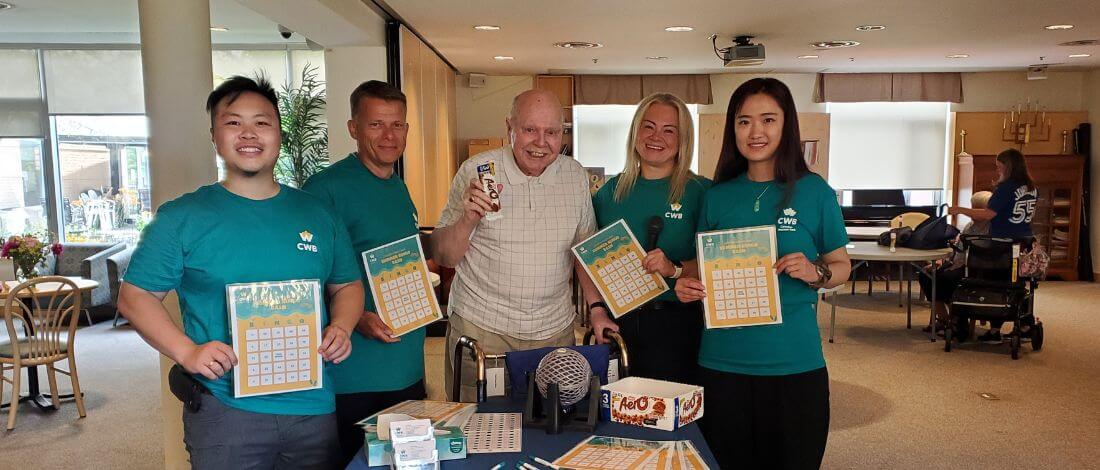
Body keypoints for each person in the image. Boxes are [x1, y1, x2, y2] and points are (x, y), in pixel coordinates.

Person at [117, 76, 364, 469]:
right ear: (214, 136)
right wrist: (187, 351)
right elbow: (135, 297)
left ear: (279, 133)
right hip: (224, 411)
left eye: (262, 122)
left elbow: (347, 284)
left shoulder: (317, 214)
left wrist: (343, 326)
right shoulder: (182, 217)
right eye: (233, 123)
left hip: (312, 404)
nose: (249, 133)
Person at [674, 78, 852, 469]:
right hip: (722, 363)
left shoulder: (813, 191)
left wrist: (813, 271)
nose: (756, 132)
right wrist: (686, 285)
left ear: (786, 125)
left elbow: (841, 267)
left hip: (793, 364)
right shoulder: (717, 196)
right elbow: (701, 266)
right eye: (744, 121)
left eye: (768, 120)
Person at [431, 89, 597, 401]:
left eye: (552, 132)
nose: (541, 142)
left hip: (553, 331)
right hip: (483, 328)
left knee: (553, 427)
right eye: (530, 129)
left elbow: (583, 250)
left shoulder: (574, 176)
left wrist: (597, 309)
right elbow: (444, 255)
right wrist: (467, 219)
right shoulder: (477, 171)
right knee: (477, 426)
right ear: (509, 127)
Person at [301, 80, 427, 465]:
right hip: (355, 373)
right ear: (353, 128)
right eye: (376, 125)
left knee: (408, 461)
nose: (389, 136)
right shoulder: (326, 189)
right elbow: (306, 275)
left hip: (407, 363)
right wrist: (355, 319)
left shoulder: (397, 187)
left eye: (398, 124)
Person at [587, 92, 711, 385]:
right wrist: (596, 310)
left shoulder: (702, 192)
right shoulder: (610, 193)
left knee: (674, 417)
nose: (657, 137)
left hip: (679, 322)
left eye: (670, 130)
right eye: (649, 126)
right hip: (621, 322)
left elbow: (717, 262)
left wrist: (676, 268)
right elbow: (585, 256)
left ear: (683, 139)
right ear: (635, 132)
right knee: (619, 413)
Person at [948, 148, 1038, 343]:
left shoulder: (1006, 188)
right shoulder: (1031, 187)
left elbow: (988, 214)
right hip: (1025, 242)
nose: (997, 171)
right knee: (1018, 284)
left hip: (1003, 244)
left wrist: (959, 209)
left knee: (994, 284)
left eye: (999, 167)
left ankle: (995, 329)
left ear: (1008, 166)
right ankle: (1023, 323)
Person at [919, 190, 992, 336]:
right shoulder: (969, 227)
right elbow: (957, 250)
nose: (972, 212)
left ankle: (955, 321)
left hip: (977, 269)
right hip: (958, 265)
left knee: (947, 279)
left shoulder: (993, 229)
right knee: (926, 274)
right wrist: (942, 261)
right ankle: (943, 318)